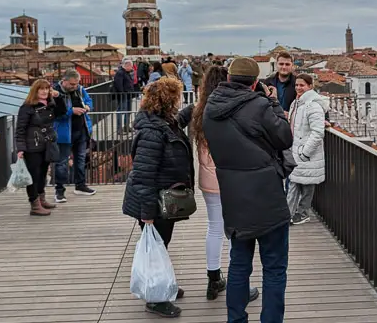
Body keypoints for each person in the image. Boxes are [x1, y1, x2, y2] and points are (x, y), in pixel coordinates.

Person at [203, 57, 293, 323]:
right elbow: (284, 137)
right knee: (274, 268)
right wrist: (274, 102)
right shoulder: (260, 105)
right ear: (255, 82)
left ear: (229, 78)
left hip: (234, 196)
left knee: (239, 265)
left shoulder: (210, 108)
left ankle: (236, 319)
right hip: (267, 196)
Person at [186, 66, 260, 302]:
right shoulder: (232, 108)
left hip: (207, 178)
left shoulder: (199, 111)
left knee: (214, 228)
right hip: (232, 177)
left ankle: (213, 278)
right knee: (236, 232)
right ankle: (239, 284)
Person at [122, 77, 194, 318]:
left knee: (161, 246)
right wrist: (147, 214)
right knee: (155, 248)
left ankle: (163, 286)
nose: (179, 101)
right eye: (177, 97)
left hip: (162, 199)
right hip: (153, 201)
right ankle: (156, 299)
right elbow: (143, 176)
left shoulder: (163, 122)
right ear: (167, 100)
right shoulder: (152, 132)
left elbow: (180, 120)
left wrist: (200, 103)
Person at [15, 79, 67, 216]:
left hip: (47, 144)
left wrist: (59, 96)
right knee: (34, 176)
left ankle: (41, 199)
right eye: (41, 89)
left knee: (43, 173)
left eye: (47, 88)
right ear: (35, 91)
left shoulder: (49, 104)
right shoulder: (27, 107)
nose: (44, 91)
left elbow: (62, 111)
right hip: (32, 146)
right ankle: (34, 204)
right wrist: (21, 148)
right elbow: (20, 129)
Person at [287, 74, 329, 225]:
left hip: (306, 154)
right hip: (297, 151)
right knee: (295, 183)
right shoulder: (297, 103)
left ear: (310, 86)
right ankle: (291, 214)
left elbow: (318, 132)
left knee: (306, 185)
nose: (298, 88)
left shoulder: (313, 105)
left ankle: (301, 213)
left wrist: (305, 153)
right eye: (297, 85)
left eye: (302, 85)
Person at [53, 69, 96, 202]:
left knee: (81, 159)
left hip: (81, 130)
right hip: (64, 133)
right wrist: (72, 111)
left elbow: (89, 101)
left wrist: (87, 107)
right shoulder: (55, 92)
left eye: (77, 84)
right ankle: (59, 191)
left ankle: (80, 186)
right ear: (64, 81)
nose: (75, 86)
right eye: (72, 84)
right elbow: (56, 114)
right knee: (62, 163)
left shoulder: (80, 90)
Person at [113, 58, 136, 134]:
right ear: (127, 65)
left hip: (128, 95)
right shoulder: (120, 73)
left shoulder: (126, 72)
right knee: (121, 111)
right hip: (123, 96)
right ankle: (119, 129)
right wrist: (122, 93)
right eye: (131, 66)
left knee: (128, 111)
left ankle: (126, 127)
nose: (132, 68)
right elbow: (118, 85)